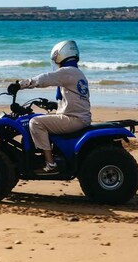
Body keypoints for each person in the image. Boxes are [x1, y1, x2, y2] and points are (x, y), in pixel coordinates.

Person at [6, 40, 91, 174]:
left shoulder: (67, 71)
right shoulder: (77, 73)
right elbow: (76, 100)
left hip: (74, 119)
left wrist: (20, 85)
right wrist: (55, 105)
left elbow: (45, 78)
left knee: (35, 122)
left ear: (62, 54)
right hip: (79, 117)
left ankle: (50, 164)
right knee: (42, 118)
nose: (55, 61)